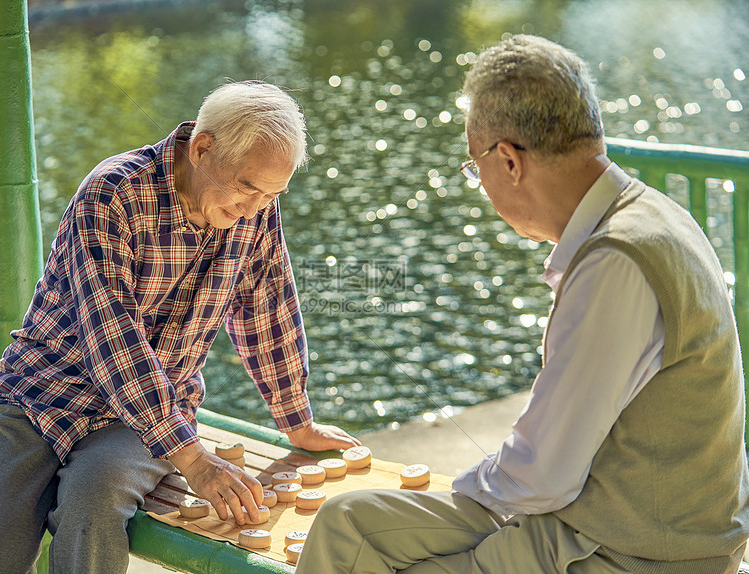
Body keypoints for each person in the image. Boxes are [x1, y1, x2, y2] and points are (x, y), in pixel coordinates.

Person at [296, 35, 749, 574]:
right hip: (613, 519)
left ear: (508, 160)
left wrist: (469, 490)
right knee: (347, 522)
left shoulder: (615, 263)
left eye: (475, 169)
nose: (481, 186)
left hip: (632, 552)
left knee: (363, 553)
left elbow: (541, 478)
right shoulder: (652, 215)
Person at [0, 80, 360, 574]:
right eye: (249, 187)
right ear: (203, 148)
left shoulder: (256, 209)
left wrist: (297, 421)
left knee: (91, 512)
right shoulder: (112, 193)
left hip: (143, 416)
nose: (255, 207)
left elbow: (267, 309)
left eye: (272, 194)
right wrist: (196, 461)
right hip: (40, 391)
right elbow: (113, 340)